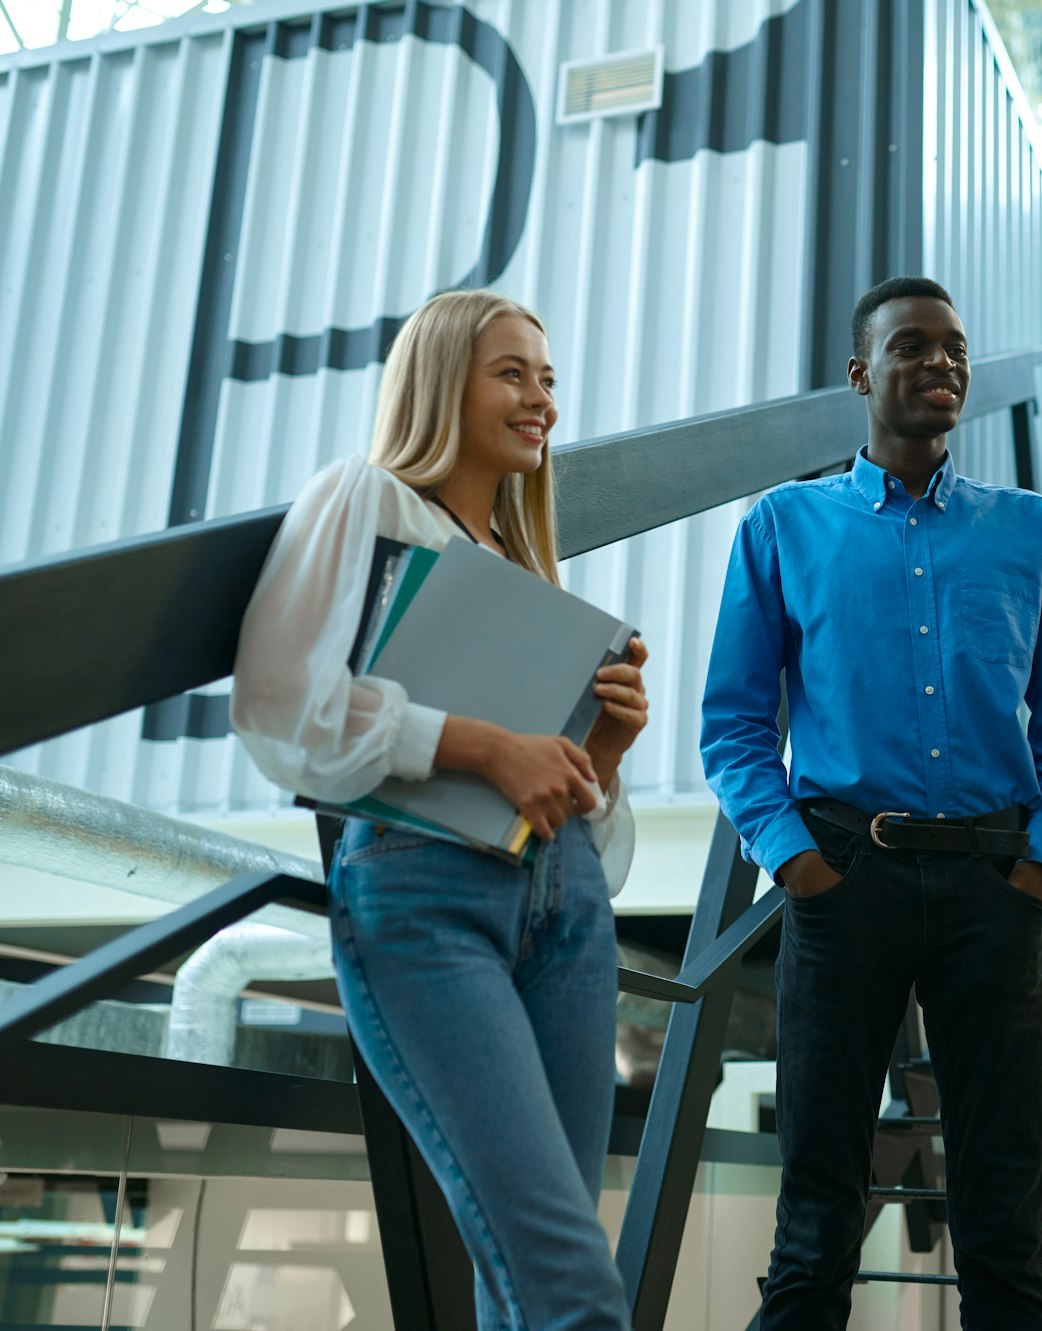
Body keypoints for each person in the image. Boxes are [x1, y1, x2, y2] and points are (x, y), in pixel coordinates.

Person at [230, 289, 649, 1331]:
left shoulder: (529, 576)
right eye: (511, 372)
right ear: (439, 380)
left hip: (567, 907)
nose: (539, 398)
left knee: (534, 1278)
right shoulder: (365, 499)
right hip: (423, 899)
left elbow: (583, 831)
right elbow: (279, 708)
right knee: (569, 1287)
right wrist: (479, 741)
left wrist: (598, 751)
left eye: (548, 378)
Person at [700, 276, 1042, 1330]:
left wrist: (1039, 861)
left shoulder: (1031, 531)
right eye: (912, 346)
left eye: (955, 347)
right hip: (844, 880)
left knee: (1004, 1215)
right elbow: (732, 724)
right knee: (817, 1214)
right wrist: (796, 862)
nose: (941, 363)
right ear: (859, 373)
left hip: (992, 884)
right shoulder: (782, 526)